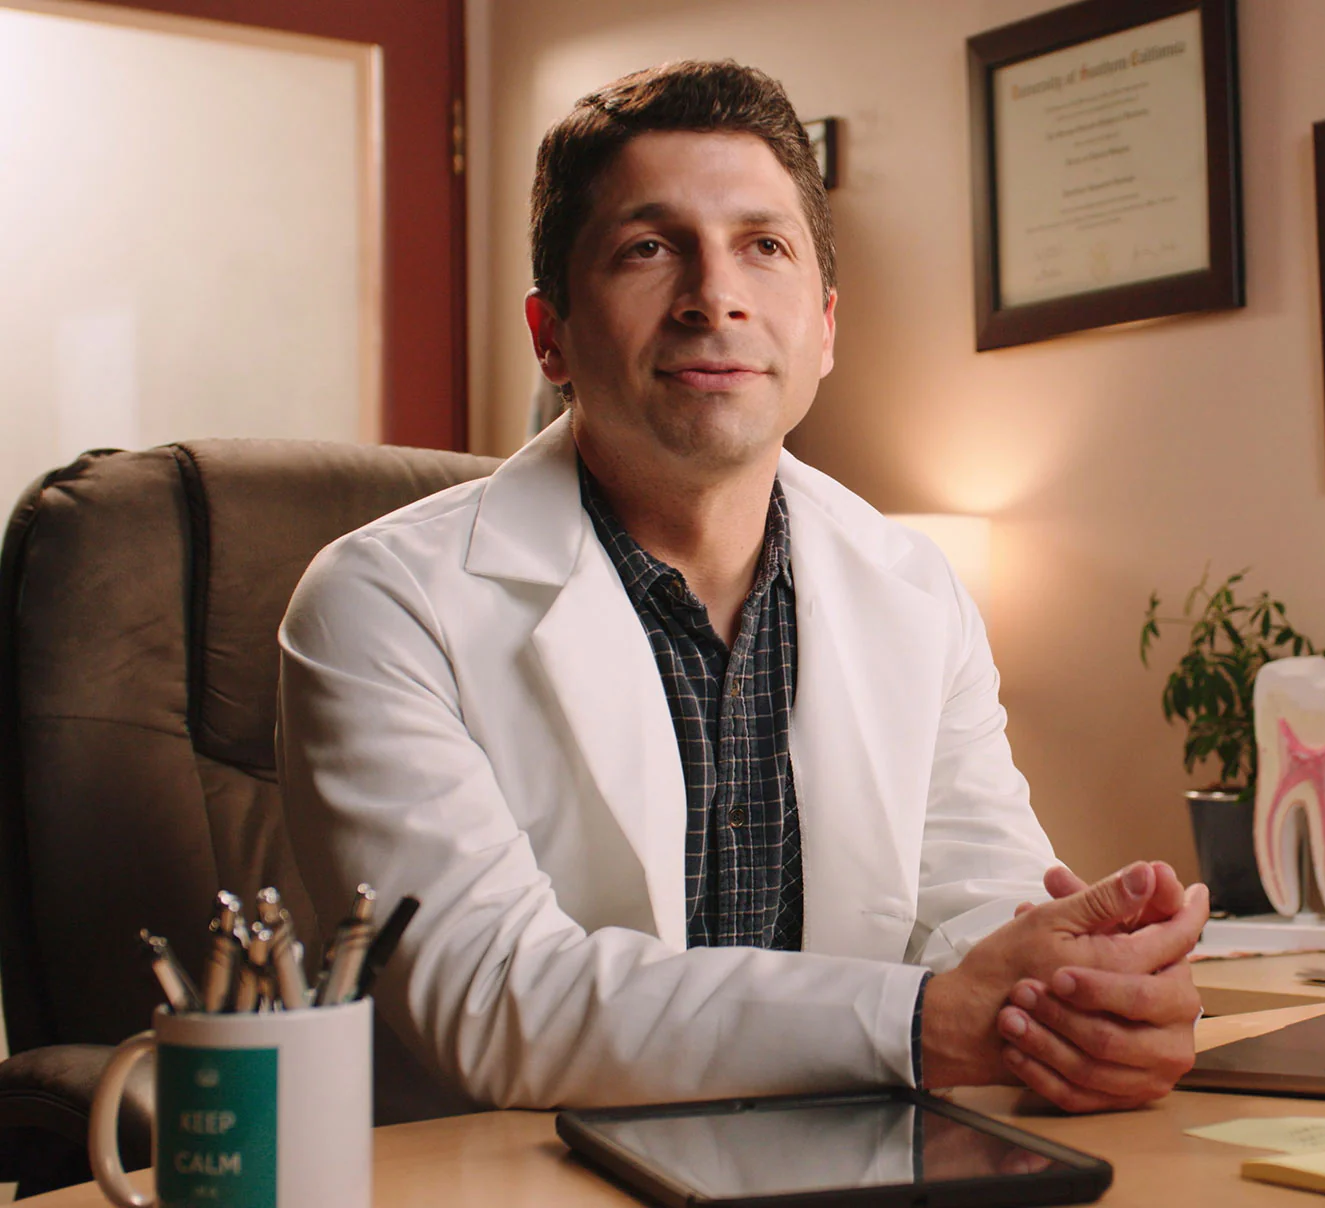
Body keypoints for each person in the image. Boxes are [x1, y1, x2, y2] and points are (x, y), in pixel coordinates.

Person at [277, 59, 1207, 1115]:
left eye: (762, 246)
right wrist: (920, 1021)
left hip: (844, 1168)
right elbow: (496, 999)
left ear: (822, 325)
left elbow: (975, 905)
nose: (713, 296)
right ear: (553, 335)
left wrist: (1081, 992)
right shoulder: (380, 602)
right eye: (647, 248)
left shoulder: (913, 587)